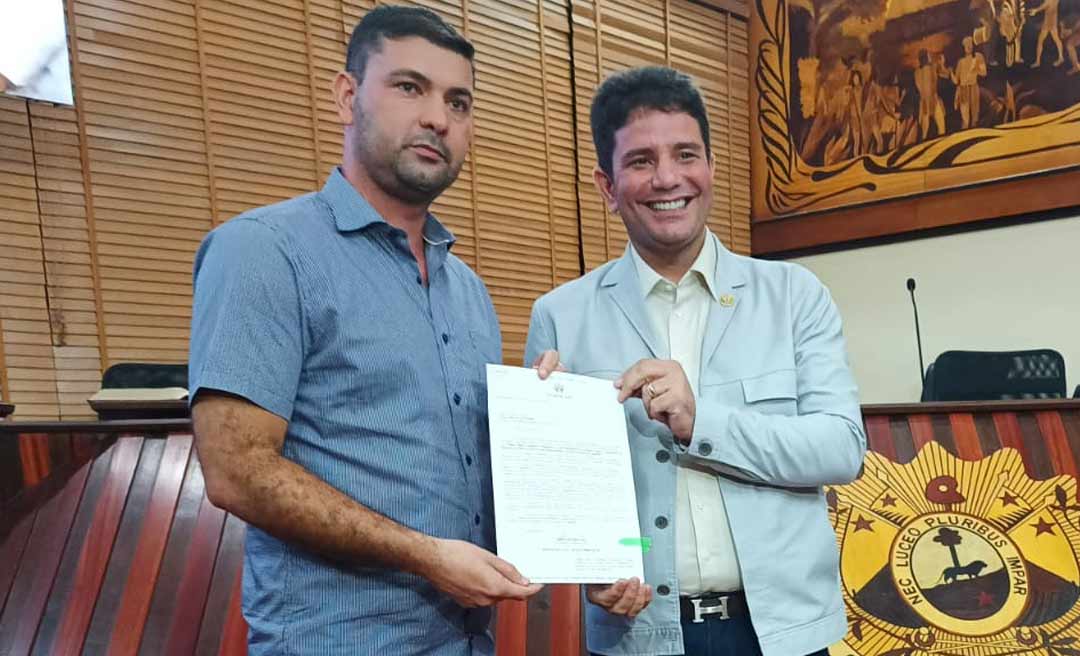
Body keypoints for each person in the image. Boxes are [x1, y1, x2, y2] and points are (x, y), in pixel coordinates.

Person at [189, 6, 545, 655]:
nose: (438, 118)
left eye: (458, 102)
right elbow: (236, 470)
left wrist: (547, 420)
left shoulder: (468, 290)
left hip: (466, 641)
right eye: (410, 87)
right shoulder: (263, 251)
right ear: (346, 97)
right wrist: (424, 555)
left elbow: (468, 473)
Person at [525, 66, 867, 656]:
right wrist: (590, 572)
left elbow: (841, 448)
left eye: (686, 154)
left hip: (782, 634)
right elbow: (559, 500)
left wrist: (699, 421)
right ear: (607, 187)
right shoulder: (561, 316)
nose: (667, 178)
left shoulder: (794, 295)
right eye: (640, 161)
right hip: (639, 637)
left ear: (710, 166)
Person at [952, 37, 987, 129]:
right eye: (966, 44)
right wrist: (950, 73)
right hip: (963, 90)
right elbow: (956, 80)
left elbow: (984, 73)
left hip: (974, 89)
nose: (969, 46)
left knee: (975, 118)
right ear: (963, 47)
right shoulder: (961, 62)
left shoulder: (978, 58)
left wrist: (976, 69)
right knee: (965, 120)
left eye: (970, 44)